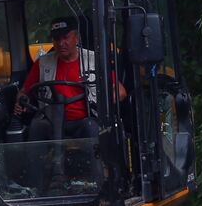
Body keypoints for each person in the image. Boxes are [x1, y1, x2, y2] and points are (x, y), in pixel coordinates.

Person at [14, 17, 125, 187]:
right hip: (52, 122)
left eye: (66, 37)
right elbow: (24, 91)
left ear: (76, 38)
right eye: (57, 39)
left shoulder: (94, 60)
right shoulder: (43, 64)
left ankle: (101, 181)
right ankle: (34, 186)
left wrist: (103, 103)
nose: (61, 43)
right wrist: (21, 101)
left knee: (94, 129)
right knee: (36, 127)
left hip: (84, 120)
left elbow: (121, 92)